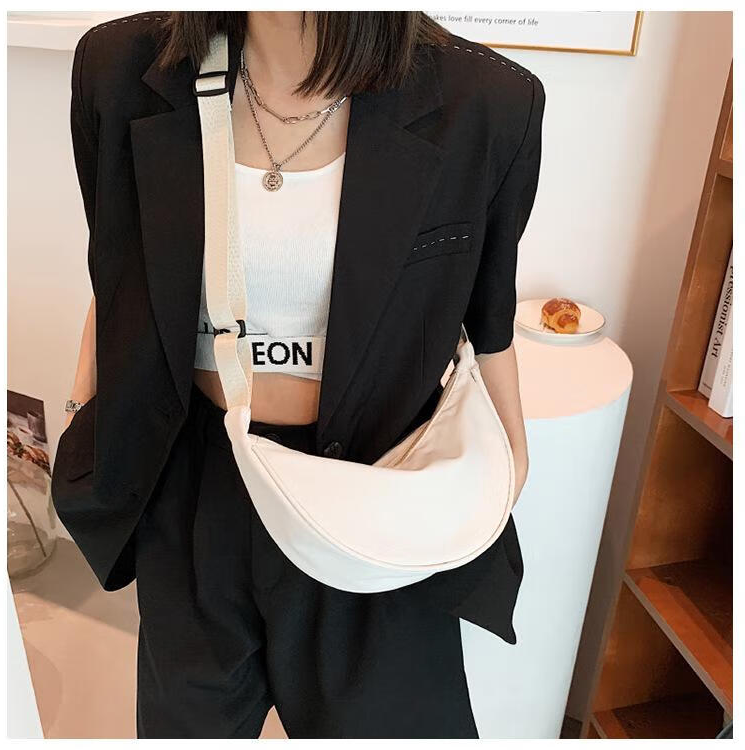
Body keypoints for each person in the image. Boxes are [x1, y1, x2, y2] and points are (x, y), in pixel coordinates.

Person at [52, 10, 545, 739]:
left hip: (376, 488)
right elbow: (117, 272)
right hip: (196, 481)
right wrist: (79, 415)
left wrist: (509, 462)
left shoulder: (487, 102)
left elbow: (488, 317)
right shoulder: (120, 68)